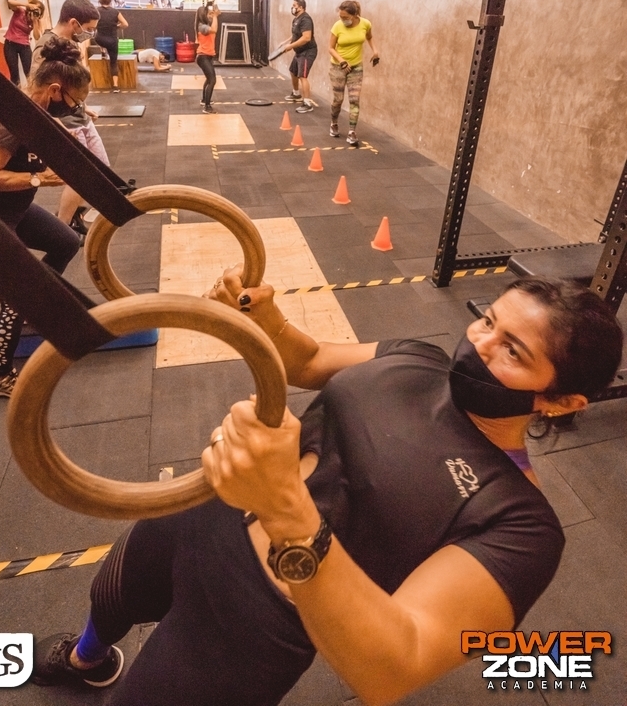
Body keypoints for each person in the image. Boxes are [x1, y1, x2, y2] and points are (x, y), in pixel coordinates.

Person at [32, 272, 622, 705]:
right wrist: (266, 320)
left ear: (560, 401)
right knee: (112, 595)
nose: (480, 345)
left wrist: (284, 507)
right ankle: (88, 658)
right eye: (488, 321)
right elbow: (310, 360)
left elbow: (397, 666)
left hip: (252, 621)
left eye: (513, 351)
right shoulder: (417, 359)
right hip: (206, 508)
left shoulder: (520, 525)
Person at [0, 37, 88, 398]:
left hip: (14, 210)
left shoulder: (34, 111)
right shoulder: (9, 120)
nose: (76, 108)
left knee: (66, 241)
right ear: (54, 90)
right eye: (75, 102)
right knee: (17, 298)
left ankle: (36, 305)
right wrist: (39, 179)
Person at [30, 0, 109, 232]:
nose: (90, 34)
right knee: (81, 176)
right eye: (89, 29)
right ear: (74, 23)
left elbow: (73, 84)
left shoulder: (68, 45)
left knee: (102, 170)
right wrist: (54, 124)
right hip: (64, 121)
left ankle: (73, 214)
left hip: (79, 116)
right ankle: (62, 229)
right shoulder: (44, 47)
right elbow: (38, 91)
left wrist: (83, 105)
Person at [329, 0, 379, 146]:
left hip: (356, 67)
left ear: (354, 15)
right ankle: (334, 123)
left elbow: (369, 37)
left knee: (354, 100)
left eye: (345, 17)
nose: (342, 19)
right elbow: (331, 48)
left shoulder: (365, 24)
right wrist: (341, 61)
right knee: (338, 99)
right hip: (338, 67)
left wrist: (375, 51)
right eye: (341, 16)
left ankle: (352, 132)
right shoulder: (337, 26)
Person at [282, 0, 317, 113]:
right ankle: (296, 93)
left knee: (303, 76)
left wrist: (290, 46)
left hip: (307, 52)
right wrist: (285, 43)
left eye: (294, 6)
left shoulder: (306, 19)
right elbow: (295, 35)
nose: (292, 8)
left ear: (301, 7)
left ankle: (307, 103)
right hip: (299, 51)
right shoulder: (296, 19)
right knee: (293, 71)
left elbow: (306, 38)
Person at [3, 0, 45, 86]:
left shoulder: (37, 21)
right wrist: (27, 5)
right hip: (10, 44)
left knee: (29, 73)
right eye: (34, 9)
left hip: (24, 46)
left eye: (37, 11)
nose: (34, 12)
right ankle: (16, 92)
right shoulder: (20, 11)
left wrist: (35, 21)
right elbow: (10, 2)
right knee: (14, 74)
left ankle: (31, 92)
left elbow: (37, 37)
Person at [96, 0, 129, 92]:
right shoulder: (115, 12)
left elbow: (92, 25)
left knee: (96, 37)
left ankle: (102, 50)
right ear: (110, 1)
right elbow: (125, 24)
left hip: (100, 39)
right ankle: (115, 86)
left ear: (99, 1)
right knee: (113, 62)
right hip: (112, 41)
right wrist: (116, 26)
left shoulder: (96, 11)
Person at [194, 2, 221, 114]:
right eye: (208, 14)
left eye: (211, 14)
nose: (210, 15)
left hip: (207, 56)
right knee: (212, 80)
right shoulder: (202, 27)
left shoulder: (207, 24)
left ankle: (204, 100)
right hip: (203, 56)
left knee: (209, 79)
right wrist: (215, 16)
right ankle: (207, 107)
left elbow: (215, 23)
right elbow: (214, 30)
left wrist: (215, 11)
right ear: (203, 15)